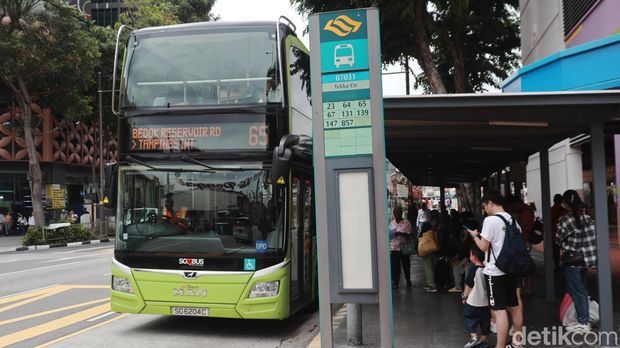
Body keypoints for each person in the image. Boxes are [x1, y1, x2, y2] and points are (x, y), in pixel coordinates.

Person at [468, 190, 523, 348]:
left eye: (484, 206)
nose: (484, 209)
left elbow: (484, 247)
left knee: (499, 311)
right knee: (514, 307)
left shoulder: (491, 220)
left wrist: (474, 236)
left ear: (490, 203)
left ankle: (499, 346)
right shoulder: (512, 219)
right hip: (511, 269)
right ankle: (516, 343)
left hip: (495, 271)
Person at [556, 189, 597, 333]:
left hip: (572, 261)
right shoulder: (587, 219)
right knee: (582, 290)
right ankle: (584, 319)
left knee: (577, 291)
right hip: (584, 260)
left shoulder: (565, 220)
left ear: (566, 204)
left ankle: (583, 322)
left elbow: (558, 240)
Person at [462, 244, 491, 348]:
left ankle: (474, 337)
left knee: (469, 318)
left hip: (473, 302)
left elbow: (469, 285)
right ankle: (484, 340)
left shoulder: (473, 270)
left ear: (474, 258)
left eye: (470, 255)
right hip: (485, 303)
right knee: (485, 321)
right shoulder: (487, 269)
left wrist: (464, 296)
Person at [389, 205, 413, 289]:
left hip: (404, 247)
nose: (397, 214)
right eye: (396, 212)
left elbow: (410, 234)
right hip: (394, 247)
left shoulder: (406, 222)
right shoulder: (391, 223)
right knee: (396, 266)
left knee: (406, 264)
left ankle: (408, 279)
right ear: (393, 213)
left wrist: (400, 233)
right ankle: (396, 282)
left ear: (401, 213)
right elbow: (389, 234)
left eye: (399, 212)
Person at [550, 193, 569, 271]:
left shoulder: (549, 210)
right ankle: (565, 264)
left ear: (554, 200)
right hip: (563, 234)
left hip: (553, 234)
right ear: (561, 201)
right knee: (565, 250)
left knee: (555, 251)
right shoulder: (565, 211)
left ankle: (557, 265)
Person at [418, 221, 438, 293]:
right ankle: (429, 283)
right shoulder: (432, 232)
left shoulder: (423, 234)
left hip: (425, 252)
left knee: (428, 267)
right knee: (431, 267)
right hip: (432, 250)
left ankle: (432, 285)